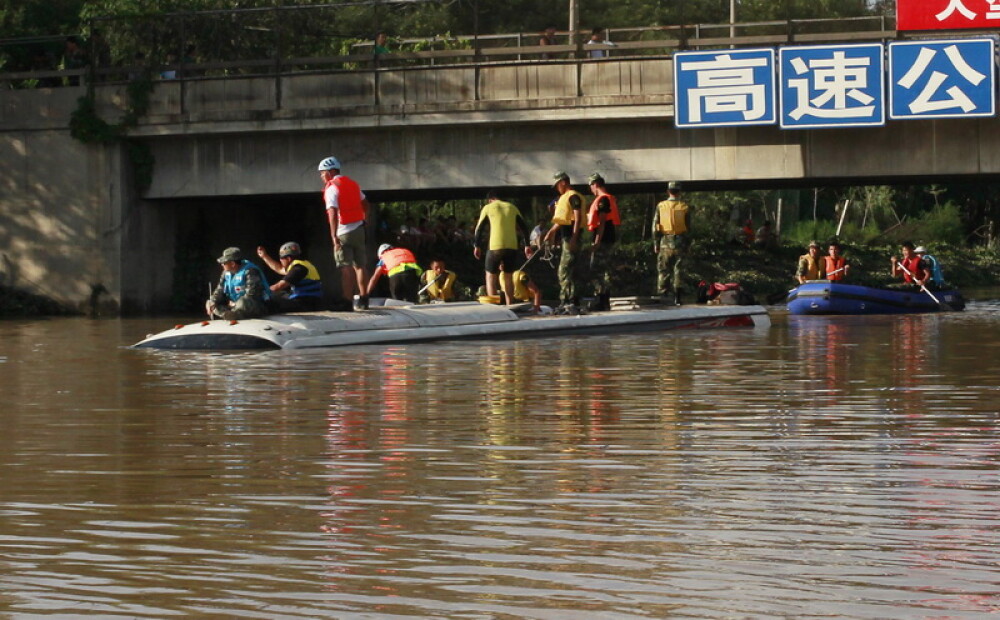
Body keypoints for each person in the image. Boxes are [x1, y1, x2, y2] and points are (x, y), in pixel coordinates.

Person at [318, 156, 371, 310]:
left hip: (343, 231)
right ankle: (364, 299)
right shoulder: (353, 184)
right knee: (361, 266)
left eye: (322, 173)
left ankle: (347, 302)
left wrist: (334, 236)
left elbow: (332, 212)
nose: (321, 176)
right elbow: (366, 204)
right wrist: (365, 219)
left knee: (346, 267)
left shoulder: (332, 188)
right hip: (359, 229)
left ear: (330, 171)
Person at [474, 191, 531, 304]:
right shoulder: (512, 207)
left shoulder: (488, 207)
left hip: (495, 246)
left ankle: (494, 304)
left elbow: (479, 228)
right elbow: (524, 227)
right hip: (512, 245)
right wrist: (527, 245)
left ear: (490, 199)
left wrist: (477, 245)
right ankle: (509, 303)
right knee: (508, 276)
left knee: (490, 275)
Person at [543, 171, 586, 312]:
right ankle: (572, 300)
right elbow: (563, 218)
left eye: (557, 185)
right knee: (570, 271)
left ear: (563, 182)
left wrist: (573, 238)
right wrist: (551, 231)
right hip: (566, 237)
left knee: (564, 270)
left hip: (571, 238)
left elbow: (577, 218)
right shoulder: (564, 197)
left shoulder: (573, 196)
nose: (557, 188)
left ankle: (567, 300)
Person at [586, 172, 621, 311]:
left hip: (603, 239)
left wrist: (596, 242)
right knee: (604, 270)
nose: (591, 189)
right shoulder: (608, 199)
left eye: (591, 186)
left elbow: (601, 223)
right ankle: (603, 301)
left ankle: (602, 300)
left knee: (596, 270)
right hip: (607, 238)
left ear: (595, 185)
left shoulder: (603, 200)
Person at [652, 181, 691, 305]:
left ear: (668, 191)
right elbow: (689, 228)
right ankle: (678, 298)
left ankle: (663, 296)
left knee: (664, 269)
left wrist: (656, 243)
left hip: (665, 241)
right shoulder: (684, 206)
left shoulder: (661, 206)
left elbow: (654, 227)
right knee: (679, 269)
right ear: (679, 192)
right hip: (681, 241)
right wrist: (688, 244)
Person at [256, 241, 324, 312]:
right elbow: (279, 268)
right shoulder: (303, 264)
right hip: (305, 300)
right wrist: (264, 256)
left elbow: (279, 286)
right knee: (280, 294)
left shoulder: (298, 269)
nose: (280, 260)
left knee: (270, 301)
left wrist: (262, 292)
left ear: (288, 259)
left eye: (281, 258)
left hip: (306, 303)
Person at [205, 247, 271, 320]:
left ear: (232, 263)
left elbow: (252, 295)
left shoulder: (250, 271)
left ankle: (234, 314)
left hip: (253, 305)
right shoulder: (225, 273)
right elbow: (220, 289)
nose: (222, 265)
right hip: (234, 306)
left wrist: (235, 304)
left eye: (224, 263)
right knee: (213, 304)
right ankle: (229, 315)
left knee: (243, 303)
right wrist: (213, 301)